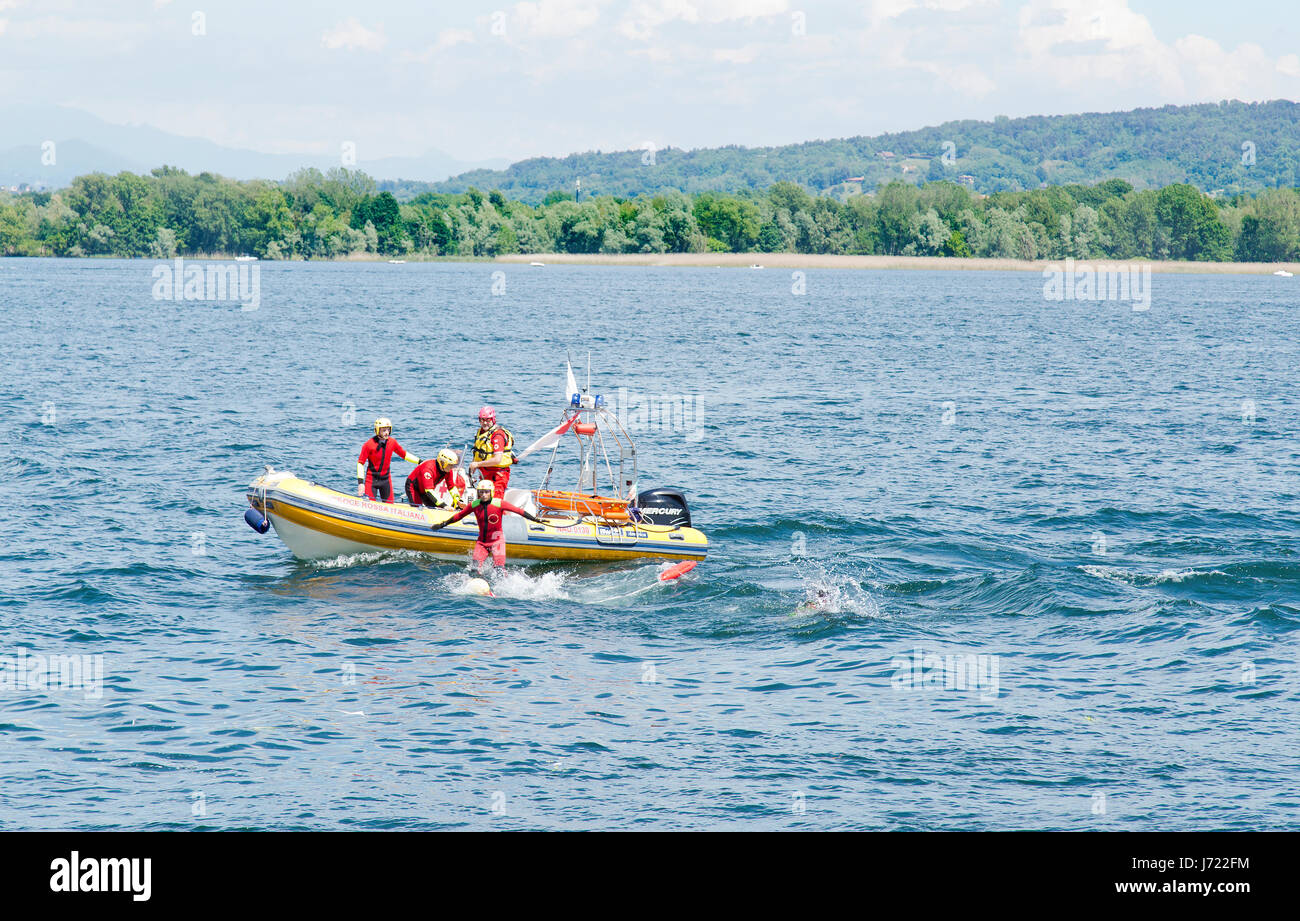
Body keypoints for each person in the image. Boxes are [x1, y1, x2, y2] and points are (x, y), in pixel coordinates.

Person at [429, 478, 542, 570]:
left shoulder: (499, 503)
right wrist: (442, 524)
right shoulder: (474, 505)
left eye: (486, 492)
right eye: (481, 492)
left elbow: (519, 511)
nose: (483, 495)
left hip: (497, 541)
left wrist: (536, 519)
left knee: (499, 570)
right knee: (474, 569)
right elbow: (459, 516)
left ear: (491, 492)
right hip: (482, 543)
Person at [356, 417, 420, 503]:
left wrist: (420, 461)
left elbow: (404, 454)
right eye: (384, 430)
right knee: (369, 505)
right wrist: (360, 483)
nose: (386, 433)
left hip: (386, 480)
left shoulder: (392, 442)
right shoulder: (368, 445)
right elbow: (360, 463)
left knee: (390, 506)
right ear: (377, 430)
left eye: (388, 430)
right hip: (371, 480)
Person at [468, 405, 515, 503]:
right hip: (484, 474)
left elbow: (497, 459)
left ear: (493, 419)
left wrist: (477, 464)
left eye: (488, 420)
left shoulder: (498, 435)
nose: (484, 423)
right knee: (481, 502)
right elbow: (478, 452)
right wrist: (472, 470)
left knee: (495, 503)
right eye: (482, 420)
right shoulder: (480, 433)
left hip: (497, 475)